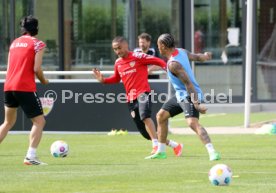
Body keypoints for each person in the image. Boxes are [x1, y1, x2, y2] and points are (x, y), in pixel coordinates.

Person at [93, 36, 183, 156]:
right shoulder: (118, 62)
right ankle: (174, 145)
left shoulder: (138, 56)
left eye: (119, 48)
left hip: (143, 93)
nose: (118, 51)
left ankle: (156, 147)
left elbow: (159, 61)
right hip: (130, 99)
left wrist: (169, 70)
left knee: (145, 116)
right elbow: (116, 78)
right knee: (146, 134)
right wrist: (103, 80)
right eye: (115, 49)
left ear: (126, 45)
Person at [145, 33, 221, 161]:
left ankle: (212, 152)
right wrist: (206, 56)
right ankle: (161, 151)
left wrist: (197, 103)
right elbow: (197, 57)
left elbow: (188, 84)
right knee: (161, 116)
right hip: (180, 95)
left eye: (158, 45)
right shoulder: (181, 51)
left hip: (190, 94)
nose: (157, 48)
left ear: (163, 46)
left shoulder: (173, 64)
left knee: (192, 123)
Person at [0, 16, 49, 165]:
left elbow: (9, 67)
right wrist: (44, 81)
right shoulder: (38, 44)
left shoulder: (14, 43)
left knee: (7, 122)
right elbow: (36, 68)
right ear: (36, 28)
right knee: (39, 121)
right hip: (24, 86)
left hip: (9, 86)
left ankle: (31, 156)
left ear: (22, 29)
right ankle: (31, 156)